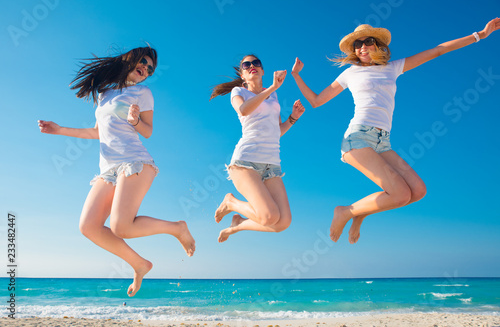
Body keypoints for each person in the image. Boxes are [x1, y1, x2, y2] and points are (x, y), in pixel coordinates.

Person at [291, 18, 500, 244]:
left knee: (417, 191)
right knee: (400, 193)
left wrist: (480, 34)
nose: (361, 47)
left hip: (383, 142)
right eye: (357, 44)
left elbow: (438, 51)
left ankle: (360, 213)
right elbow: (316, 101)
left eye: (367, 41)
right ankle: (346, 211)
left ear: (378, 45)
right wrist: (296, 76)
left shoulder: (393, 67)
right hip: (357, 138)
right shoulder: (350, 73)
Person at [38, 47, 196, 296]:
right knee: (88, 227)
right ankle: (140, 264)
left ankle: (177, 228)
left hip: (134, 162)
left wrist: (134, 121)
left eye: (150, 69)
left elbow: (148, 131)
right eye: (143, 62)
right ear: (130, 60)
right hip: (108, 169)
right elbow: (97, 132)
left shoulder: (143, 92)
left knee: (120, 227)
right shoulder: (105, 93)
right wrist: (60, 130)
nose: (146, 68)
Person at [210, 54, 305, 242]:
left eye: (256, 63)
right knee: (269, 216)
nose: (251, 65)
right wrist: (272, 87)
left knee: (283, 222)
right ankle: (231, 202)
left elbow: (276, 131)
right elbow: (244, 110)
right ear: (243, 75)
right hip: (246, 162)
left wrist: (293, 118)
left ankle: (235, 226)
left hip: (271, 165)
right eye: (246, 65)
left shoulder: (273, 96)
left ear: (262, 70)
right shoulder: (238, 92)